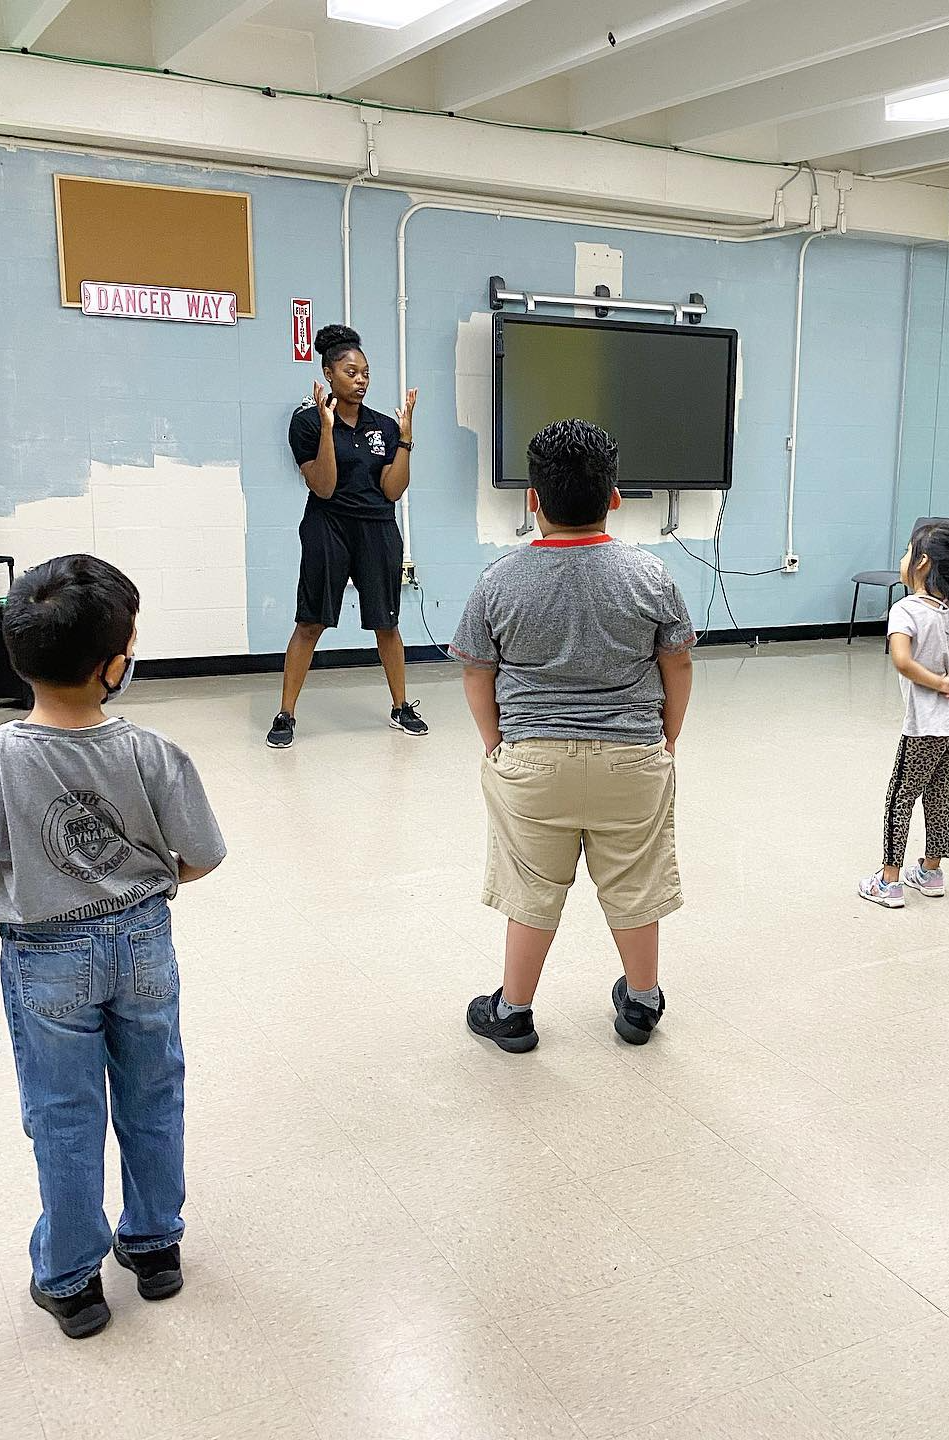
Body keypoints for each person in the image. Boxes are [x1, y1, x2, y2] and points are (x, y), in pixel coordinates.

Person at [0, 555, 226, 1338]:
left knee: (64, 1116)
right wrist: (145, 884)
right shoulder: (152, 752)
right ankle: (155, 1247)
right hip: (145, 945)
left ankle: (71, 1280)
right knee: (155, 1094)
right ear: (114, 666)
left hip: (44, 955)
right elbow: (203, 853)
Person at [453, 419, 695, 1052]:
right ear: (614, 497)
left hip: (532, 763)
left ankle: (513, 1011)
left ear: (533, 500)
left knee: (531, 888)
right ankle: (642, 1003)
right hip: (633, 760)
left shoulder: (499, 580)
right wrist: (663, 738)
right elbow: (678, 663)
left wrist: (496, 743)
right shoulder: (651, 577)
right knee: (635, 882)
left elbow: (478, 672)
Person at [267, 323, 425, 748]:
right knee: (311, 621)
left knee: (386, 622)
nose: (361, 381)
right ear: (329, 374)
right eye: (352, 372)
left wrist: (406, 440)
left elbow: (393, 489)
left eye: (366, 373)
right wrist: (325, 427)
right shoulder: (305, 423)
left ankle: (400, 706)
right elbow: (324, 486)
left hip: (377, 528)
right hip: (328, 525)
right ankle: (286, 714)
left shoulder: (383, 427)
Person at [858, 522, 949, 907]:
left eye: (906, 552)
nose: (901, 560)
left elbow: (901, 660)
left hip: (925, 728)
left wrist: (939, 683)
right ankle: (931, 872)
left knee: (900, 797)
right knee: (940, 793)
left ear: (921, 563)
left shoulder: (905, 610)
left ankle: (889, 882)